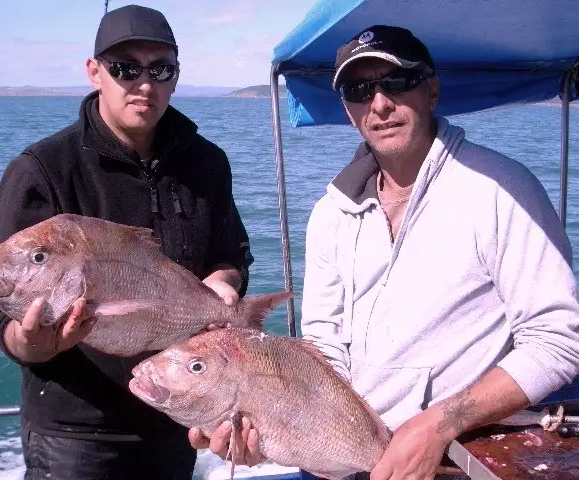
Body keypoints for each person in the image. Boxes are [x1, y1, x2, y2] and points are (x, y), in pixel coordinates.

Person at [196, 24, 579, 480]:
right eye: (359, 90)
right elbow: (325, 352)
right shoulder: (330, 214)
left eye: (396, 83)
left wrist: (440, 424)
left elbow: (557, 339)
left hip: (458, 457)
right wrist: (274, 430)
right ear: (348, 109)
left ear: (432, 90)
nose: (379, 103)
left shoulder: (501, 189)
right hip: (357, 457)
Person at [0, 4, 254, 479]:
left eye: (161, 68)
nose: (144, 83)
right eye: (125, 68)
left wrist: (224, 283)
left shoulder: (207, 163)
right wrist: (34, 343)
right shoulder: (42, 171)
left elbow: (230, 255)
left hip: (174, 418)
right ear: (95, 72)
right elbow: (9, 328)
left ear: (176, 76)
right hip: (77, 436)